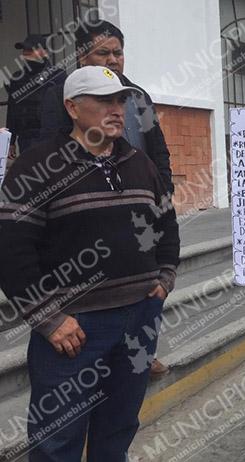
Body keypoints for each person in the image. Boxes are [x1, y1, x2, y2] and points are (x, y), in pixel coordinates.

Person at [0, 65, 180, 461]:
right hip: (74, 331)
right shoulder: (36, 166)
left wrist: (164, 279)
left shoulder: (140, 164)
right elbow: (12, 251)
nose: (116, 109)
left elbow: (167, 226)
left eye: (120, 100)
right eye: (103, 100)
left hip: (138, 321)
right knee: (57, 441)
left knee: (117, 429)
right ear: (73, 107)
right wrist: (48, 318)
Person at [40, 19, 174, 194]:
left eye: (118, 53)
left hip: (142, 196)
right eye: (103, 53)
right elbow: (52, 150)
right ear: (82, 57)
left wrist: (164, 191)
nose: (112, 60)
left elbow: (158, 150)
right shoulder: (60, 96)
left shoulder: (139, 96)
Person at [4, 35, 66, 158]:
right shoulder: (17, 78)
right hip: (26, 139)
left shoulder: (58, 76)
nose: (26, 54)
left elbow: (68, 108)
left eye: (30, 50)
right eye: (25, 50)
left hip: (51, 138)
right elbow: (12, 110)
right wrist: (10, 142)